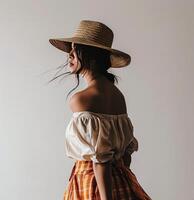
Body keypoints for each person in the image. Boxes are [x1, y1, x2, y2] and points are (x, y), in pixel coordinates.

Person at [49, 20, 152, 200]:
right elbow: (125, 156)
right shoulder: (118, 96)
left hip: (91, 186)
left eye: (76, 50)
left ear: (92, 56)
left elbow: (100, 161)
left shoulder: (81, 99)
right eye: (70, 49)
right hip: (121, 181)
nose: (70, 54)